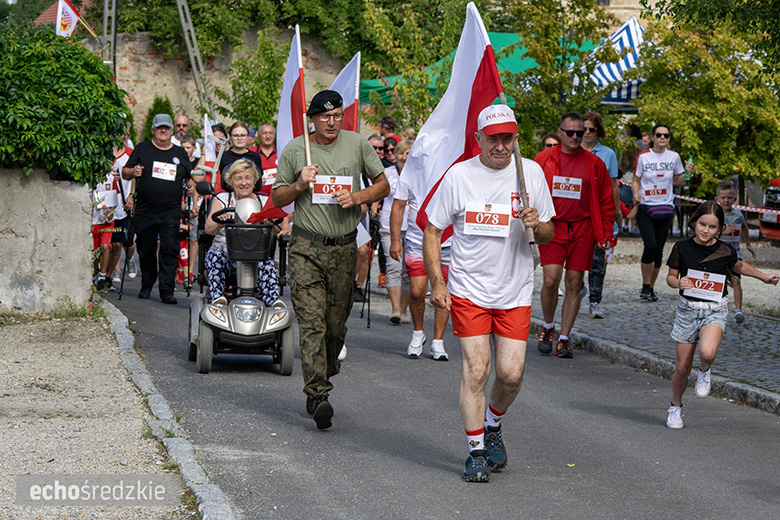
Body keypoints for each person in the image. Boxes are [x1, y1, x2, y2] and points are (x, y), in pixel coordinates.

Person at [423, 104, 555, 482]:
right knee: (477, 370)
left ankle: (493, 422)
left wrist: (536, 224)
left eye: (507, 138)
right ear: (478, 138)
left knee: (511, 375)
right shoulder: (459, 176)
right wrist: (438, 282)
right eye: (493, 138)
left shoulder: (529, 174)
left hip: (514, 290)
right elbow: (433, 230)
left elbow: (548, 233)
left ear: (516, 138)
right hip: (469, 289)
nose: (500, 145)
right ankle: (476, 452)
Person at [271, 90, 389, 430]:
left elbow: (382, 184)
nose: (332, 121)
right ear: (312, 119)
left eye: (337, 115)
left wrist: (358, 196)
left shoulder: (357, 144)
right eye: (325, 116)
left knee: (335, 326)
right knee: (312, 322)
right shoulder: (297, 149)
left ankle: (323, 370)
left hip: (344, 248)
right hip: (307, 247)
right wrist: (299, 184)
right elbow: (278, 197)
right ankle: (318, 394)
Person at [664, 201, 778, 429]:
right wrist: (678, 282)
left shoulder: (725, 250)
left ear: (720, 229)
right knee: (682, 368)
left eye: (712, 227)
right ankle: (675, 407)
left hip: (714, 309)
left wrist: (763, 277)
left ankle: (705, 370)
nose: (706, 230)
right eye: (702, 224)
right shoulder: (681, 248)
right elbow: (670, 277)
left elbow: (739, 267)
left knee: (707, 353)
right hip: (688, 310)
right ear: (695, 222)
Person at [534, 112, 615, 357]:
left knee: (574, 282)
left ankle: (564, 337)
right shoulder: (543, 159)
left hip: (582, 228)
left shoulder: (595, 163)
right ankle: (548, 326)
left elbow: (606, 200)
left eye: (580, 133)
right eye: (570, 133)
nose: (576, 137)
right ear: (560, 133)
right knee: (551, 279)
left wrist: (606, 233)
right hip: (553, 227)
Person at [122, 113, 192, 304]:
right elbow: (125, 173)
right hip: (145, 210)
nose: (163, 131)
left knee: (169, 250)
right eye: (159, 128)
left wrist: (192, 187)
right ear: (153, 130)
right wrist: (133, 171)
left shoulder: (179, 153)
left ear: (171, 131)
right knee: (146, 250)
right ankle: (146, 284)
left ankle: (166, 290)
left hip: (170, 211)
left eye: (166, 128)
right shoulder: (142, 149)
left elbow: (189, 177)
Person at [390, 150, 452, 360]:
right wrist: (395, 240)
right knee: (417, 291)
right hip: (417, 241)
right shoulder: (410, 174)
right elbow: (398, 207)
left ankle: (438, 341)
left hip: (447, 242)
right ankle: (418, 333)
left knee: (442, 291)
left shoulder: (452, 173)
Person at [204, 160, 280, 306]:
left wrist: (268, 221)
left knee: (267, 263)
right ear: (231, 181)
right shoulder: (222, 199)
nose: (243, 183)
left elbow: (277, 230)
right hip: (226, 254)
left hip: (255, 254)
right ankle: (218, 299)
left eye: (248, 178)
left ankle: (273, 303)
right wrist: (221, 221)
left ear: (255, 180)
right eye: (239, 178)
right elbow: (208, 229)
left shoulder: (264, 201)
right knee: (216, 257)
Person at [632, 124, 685, 302]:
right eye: (659, 135)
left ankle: (650, 288)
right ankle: (645, 284)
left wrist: (689, 174)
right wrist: (635, 194)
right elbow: (636, 180)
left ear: (669, 138)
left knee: (659, 250)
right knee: (651, 245)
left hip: (665, 207)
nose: (663, 138)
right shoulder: (644, 157)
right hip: (646, 207)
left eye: (666, 135)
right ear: (653, 137)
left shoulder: (674, 157)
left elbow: (679, 179)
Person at [581, 112, 620, 319]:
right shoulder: (573, 150)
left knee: (598, 260)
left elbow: (613, 185)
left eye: (591, 129)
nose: (587, 133)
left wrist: (616, 212)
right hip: (578, 212)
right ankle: (577, 287)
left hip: (599, 213)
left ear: (598, 131)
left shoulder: (607, 154)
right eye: (584, 129)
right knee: (576, 260)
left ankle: (595, 300)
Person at [379, 139, 412, 323]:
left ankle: (405, 310)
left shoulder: (419, 174)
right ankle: (396, 310)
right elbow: (379, 192)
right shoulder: (387, 173)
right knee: (393, 267)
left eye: (407, 153)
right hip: (389, 226)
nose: (404, 157)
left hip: (412, 227)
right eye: (401, 153)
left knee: (408, 270)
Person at [714, 181, 756, 323]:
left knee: (736, 280)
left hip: (734, 254)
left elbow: (744, 227)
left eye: (730, 197)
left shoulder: (738, 214)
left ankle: (738, 310)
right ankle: (717, 308)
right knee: (719, 282)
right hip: (717, 254)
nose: (726, 200)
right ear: (717, 199)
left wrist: (748, 244)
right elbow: (708, 232)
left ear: (735, 199)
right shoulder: (715, 214)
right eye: (723, 197)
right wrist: (722, 231)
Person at [219, 121, 264, 192]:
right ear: (230, 137)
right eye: (236, 135)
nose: (239, 138)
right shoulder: (222, 156)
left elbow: (259, 179)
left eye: (243, 135)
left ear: (247, 137)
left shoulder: (255, 156)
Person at [253, 123, 278, 191]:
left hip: (277, 196)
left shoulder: (281, 152)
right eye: (264, 133)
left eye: (271, 133)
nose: (268, 136)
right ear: (259, 136)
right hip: (257, 195)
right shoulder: (251, 153)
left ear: (274, 135)